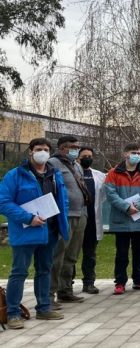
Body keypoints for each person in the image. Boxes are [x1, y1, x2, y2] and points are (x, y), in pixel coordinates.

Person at [0, 138, 69, 329]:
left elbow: (62, 200)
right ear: (30, 151)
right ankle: (13, 313)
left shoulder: (55, 174)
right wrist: (28, 218)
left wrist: (63, 224)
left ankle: (44, 308)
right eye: (39, 149)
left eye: (46, 149)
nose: (43, 152)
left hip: (50, 231)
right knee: (19, 272)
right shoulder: (15, 175)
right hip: (26, 231)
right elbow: (3, 202)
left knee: (45, 269)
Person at [104, 143, 140, 295]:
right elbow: (110, 193)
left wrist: (139, 205)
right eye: (134, 152)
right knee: (121, 253)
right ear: (125, 154)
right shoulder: (113, 173)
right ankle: (120, 282)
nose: (137, 155)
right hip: (121, 220)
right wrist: (126, 207)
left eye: (139, 153)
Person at [48, 135, 91, 305]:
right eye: (72, 147)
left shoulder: (77, 165)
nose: (76, 150)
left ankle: (65, 290)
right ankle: (49, 294)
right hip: (64, 215)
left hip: (81, 214)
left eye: (76, 147)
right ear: (62, 148)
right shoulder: (53, 164)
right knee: (57, 255)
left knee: (71, 256)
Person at [77, 146, 106, 294]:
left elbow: (104, 196)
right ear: (78, 157)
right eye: (84, 155)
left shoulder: (100, 175)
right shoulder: (72, 173)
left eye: (90, 155)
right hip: (76, 221)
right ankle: (66, 285)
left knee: (90, 254)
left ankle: (89, 282)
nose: (87, 158)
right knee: (71, 255)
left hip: (92, 222)